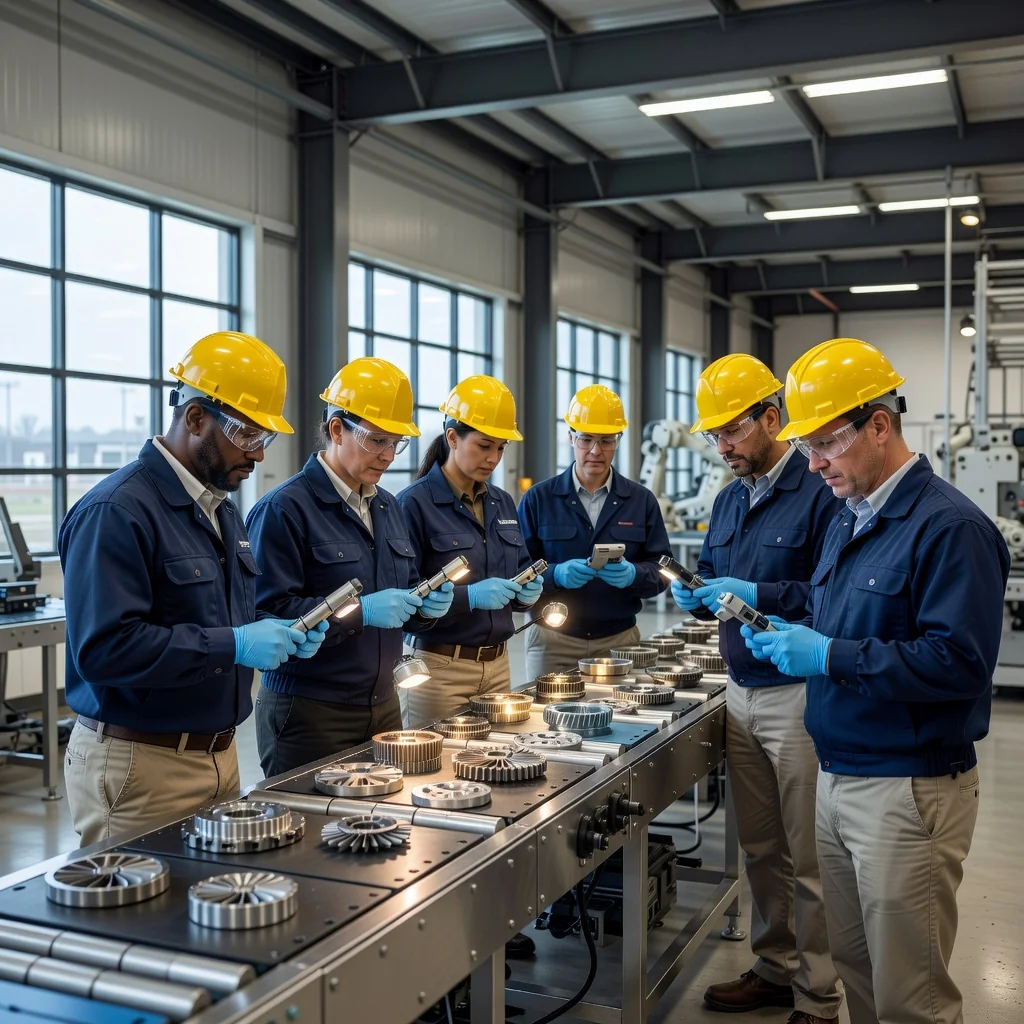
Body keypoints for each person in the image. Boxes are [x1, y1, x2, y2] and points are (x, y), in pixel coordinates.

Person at [742, 338, 1009, 1024]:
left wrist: (827, 657)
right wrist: (784, 636)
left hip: (906, 790)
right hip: (838, 776)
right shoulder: (847, 518)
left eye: (827, 443)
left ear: (880, 426)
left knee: (907, 998)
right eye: (807, 447)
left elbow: (960, 665)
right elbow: (837, 618)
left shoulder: (949, 528)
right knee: (858, 976)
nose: (814, 463)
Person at [59, 332, 326, 846]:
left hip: (220, 755)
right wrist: (237, 644)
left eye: (264, 439)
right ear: (196, 417)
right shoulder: (117, 511)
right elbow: (105, 650)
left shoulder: (223, 511)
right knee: (144, 920)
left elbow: (219, 621)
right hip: (140, 764)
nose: (255, 455)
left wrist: (275, 636)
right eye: (246, 434)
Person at [671, 354, 841, 1023]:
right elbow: (713, 576)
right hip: (737, 690)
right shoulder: (727, 498)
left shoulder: (822, 492)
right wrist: (692, 591)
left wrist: (760, 593)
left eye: (733, 432)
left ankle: (819, 995)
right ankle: (776, 967)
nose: (723, 448)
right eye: (714, 436)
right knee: (761, 848)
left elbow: (828, 596)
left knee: (808, 855)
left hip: (795, 697)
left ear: (773, 419)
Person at [246, 357, 453, 778]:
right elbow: (266, 614)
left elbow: (407, 594)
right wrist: (362, 611)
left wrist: (427, 609)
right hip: (309, 711)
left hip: (384, 702)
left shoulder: (388, 507)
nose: (389, 455)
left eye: (397, 443)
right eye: (377, 440)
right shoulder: (284, 510)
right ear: (337, 429)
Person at [397, 376, 544, 726]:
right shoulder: (413, 504)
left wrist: (526, 593)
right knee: (435, 771)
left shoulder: (503, 502)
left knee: (495, 766)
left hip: (499, 665)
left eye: (501, 448)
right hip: (439, 670)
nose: (493, 458)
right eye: (484, 446)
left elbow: (520, 568)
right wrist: (469, 597)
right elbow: (405, 597)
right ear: (452, 438)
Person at [519, 384, 671, 679]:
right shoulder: (538, 499)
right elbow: (517, 569)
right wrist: (555, 575)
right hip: (552, 642)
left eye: (606, 440)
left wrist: (635, 575)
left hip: (620, 641)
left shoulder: (641, 501)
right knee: (549, 721)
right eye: (586, 439)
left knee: (623, 722)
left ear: (619, 440)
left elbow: (664, 570)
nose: (595, 451)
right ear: (570, 437)